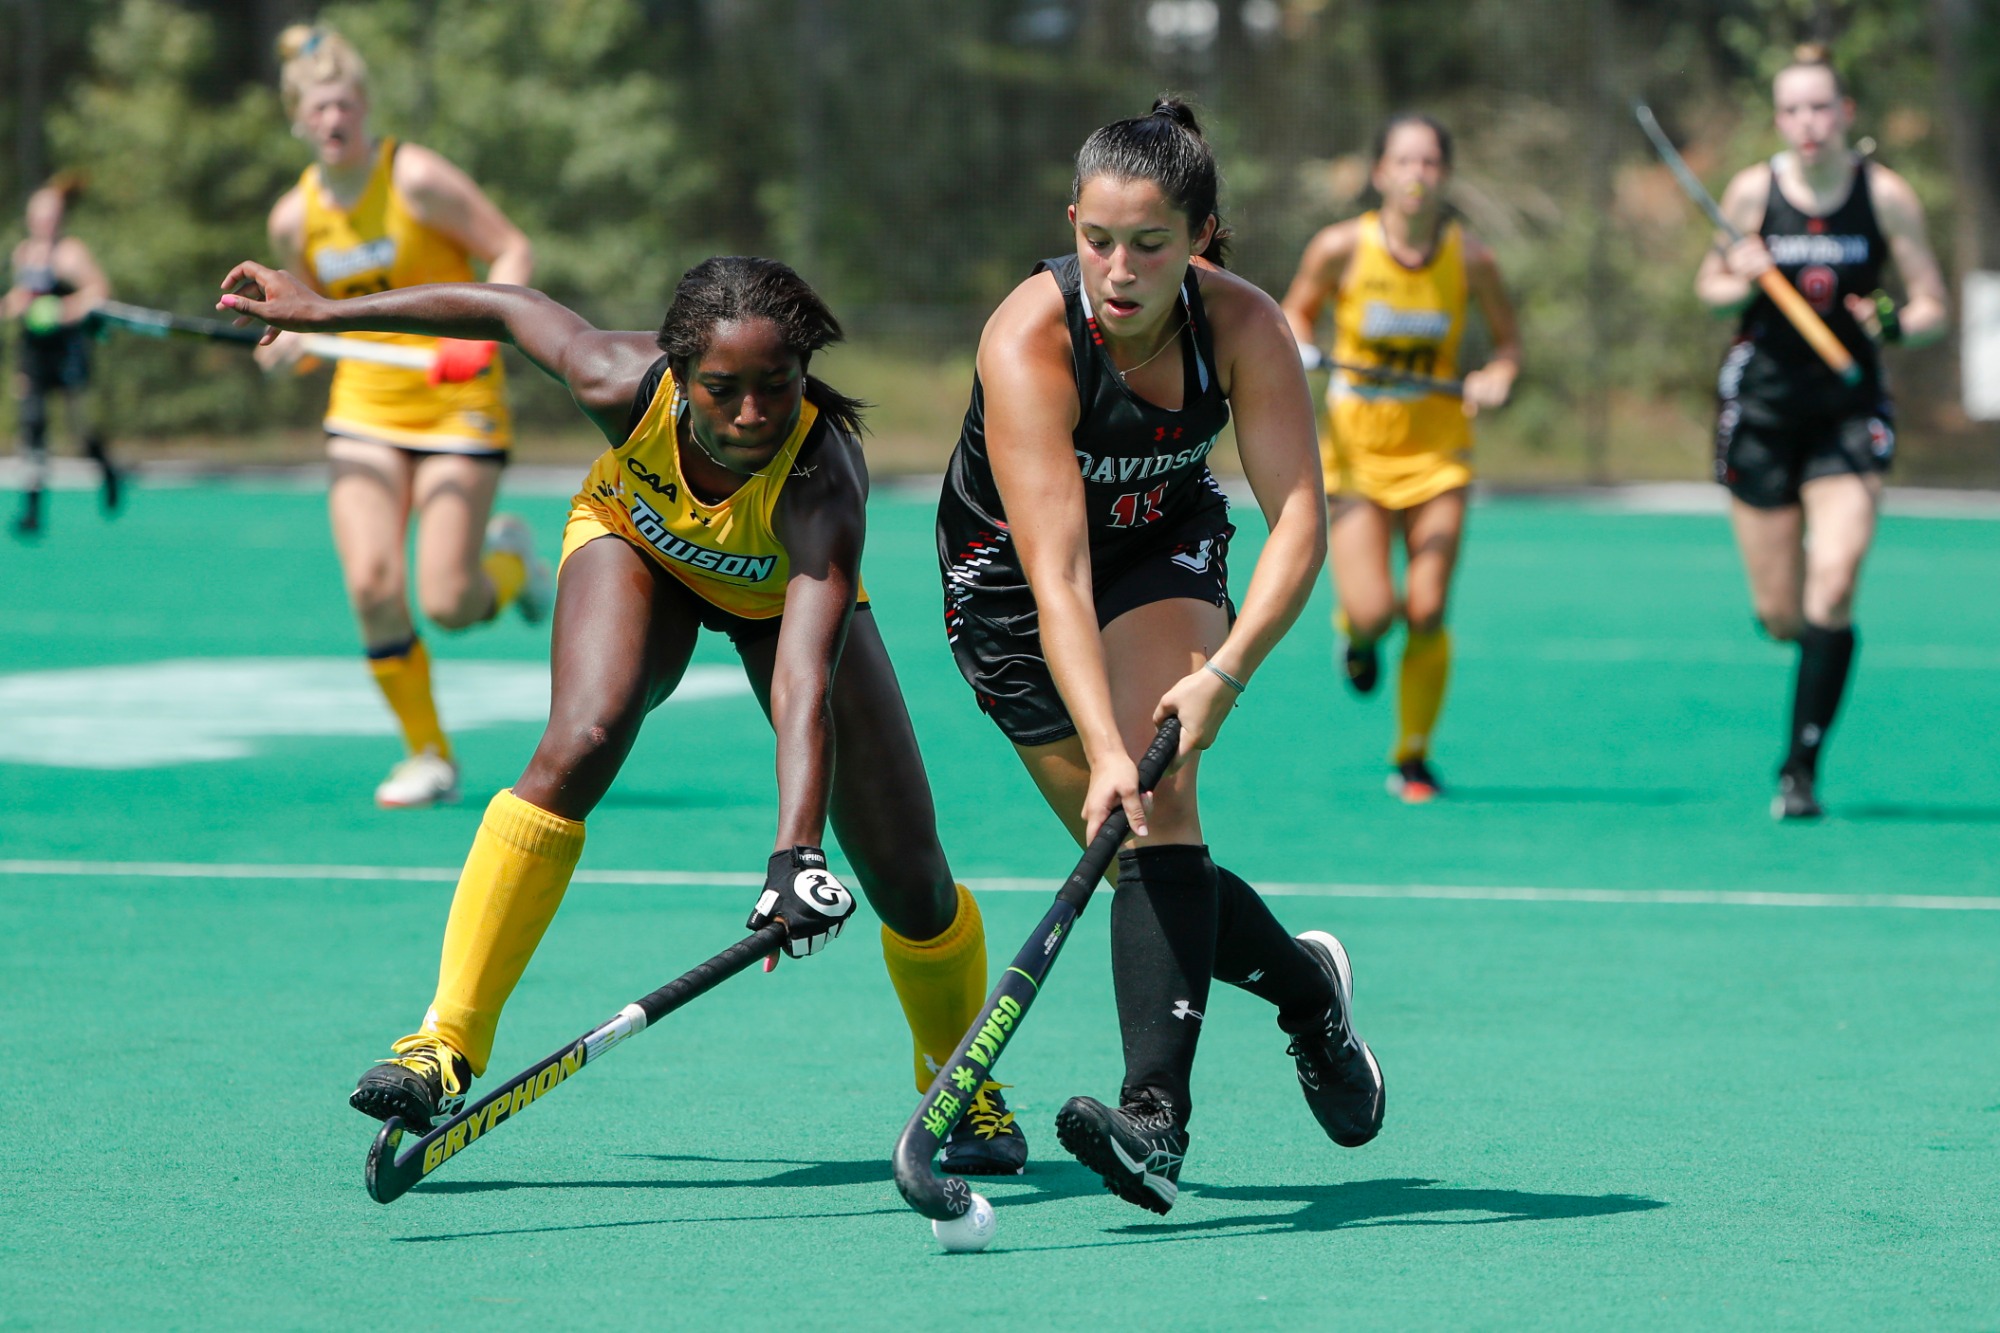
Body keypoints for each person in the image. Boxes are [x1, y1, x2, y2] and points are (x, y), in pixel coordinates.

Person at [219, 254, 1028, 1176]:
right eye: (724, 390)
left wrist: (796, 856)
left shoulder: (823, 482)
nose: (754, 414)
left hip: (778, 599)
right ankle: (441, 1045)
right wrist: (324, 313)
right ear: (679, 378)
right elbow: (505, 306)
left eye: (778, 386)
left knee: (912, 880)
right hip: (637, 545)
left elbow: (803, 680)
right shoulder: (616, 378)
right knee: (582, 738)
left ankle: (958, 1082)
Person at [935, 98, 1385, 1215]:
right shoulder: (1025, 338)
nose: (1118, 270)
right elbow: (1056, 579)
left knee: (1161, 804)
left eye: (1150, 244)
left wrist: (1220, 673)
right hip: (1008, 581)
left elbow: (1300, 523)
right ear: (1071, 219)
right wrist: (1099, 745)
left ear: (1199, 238)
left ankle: (1152, 1120)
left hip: (1159, 546)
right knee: (1135, 850)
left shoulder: (1241, 327)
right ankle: (1304, 991)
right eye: (1098, 239)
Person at [261, 24, 554, 808]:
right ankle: (426, 752)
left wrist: (488, 340)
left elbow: (511, 250)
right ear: (299, 118)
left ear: (365, 108)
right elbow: (311, 310)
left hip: (458, 401)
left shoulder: (415, 177)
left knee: (450, 603)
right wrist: (293, 336)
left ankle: (515, 566)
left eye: (347, 103)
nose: (336, 119)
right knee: (370, 581)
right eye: (320, 107)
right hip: (365, 404)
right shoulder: (295, 219)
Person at [1695, 44, 1946, 819]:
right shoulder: (1751, 191)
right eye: (1794, 109)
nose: (1809, 122)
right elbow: (1706, 291)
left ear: (1845, 115)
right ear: (1780, 119)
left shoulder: (1886, 196)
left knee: (1834, 579)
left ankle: (1799, 767)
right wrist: (1738, 270)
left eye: (1821, 107)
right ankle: (1805, 658)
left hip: (1848, 407)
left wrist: (1898, 322)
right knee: (1783, 616)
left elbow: (1933, 305)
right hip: (1764, 413)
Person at [1280, 114, 1520, 803]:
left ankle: (1413, 756)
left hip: (1439, 453)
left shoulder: (1471, 258)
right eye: (1403, 161)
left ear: (1444, 175)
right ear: (1380, 173)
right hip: (1357, 458)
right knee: (1376, 610)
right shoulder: (1340, 248)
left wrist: (1495, 377)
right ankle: (1355, 636)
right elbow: (1293, 314)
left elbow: (1507, 346)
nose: (1417, 174)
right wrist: (1301, 343)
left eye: (1430, 163)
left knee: (1428, 607)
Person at [3, 173, 119, 535]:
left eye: (51, 214)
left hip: (67, 351)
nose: (44, 221)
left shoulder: (71, 253)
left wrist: (62, 311)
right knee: (32, 427)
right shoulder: (23, 254)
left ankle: (109, 475)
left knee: (79, 429)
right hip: (34, 356)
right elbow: (22, 298)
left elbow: (99, 292)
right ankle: (33, 510)